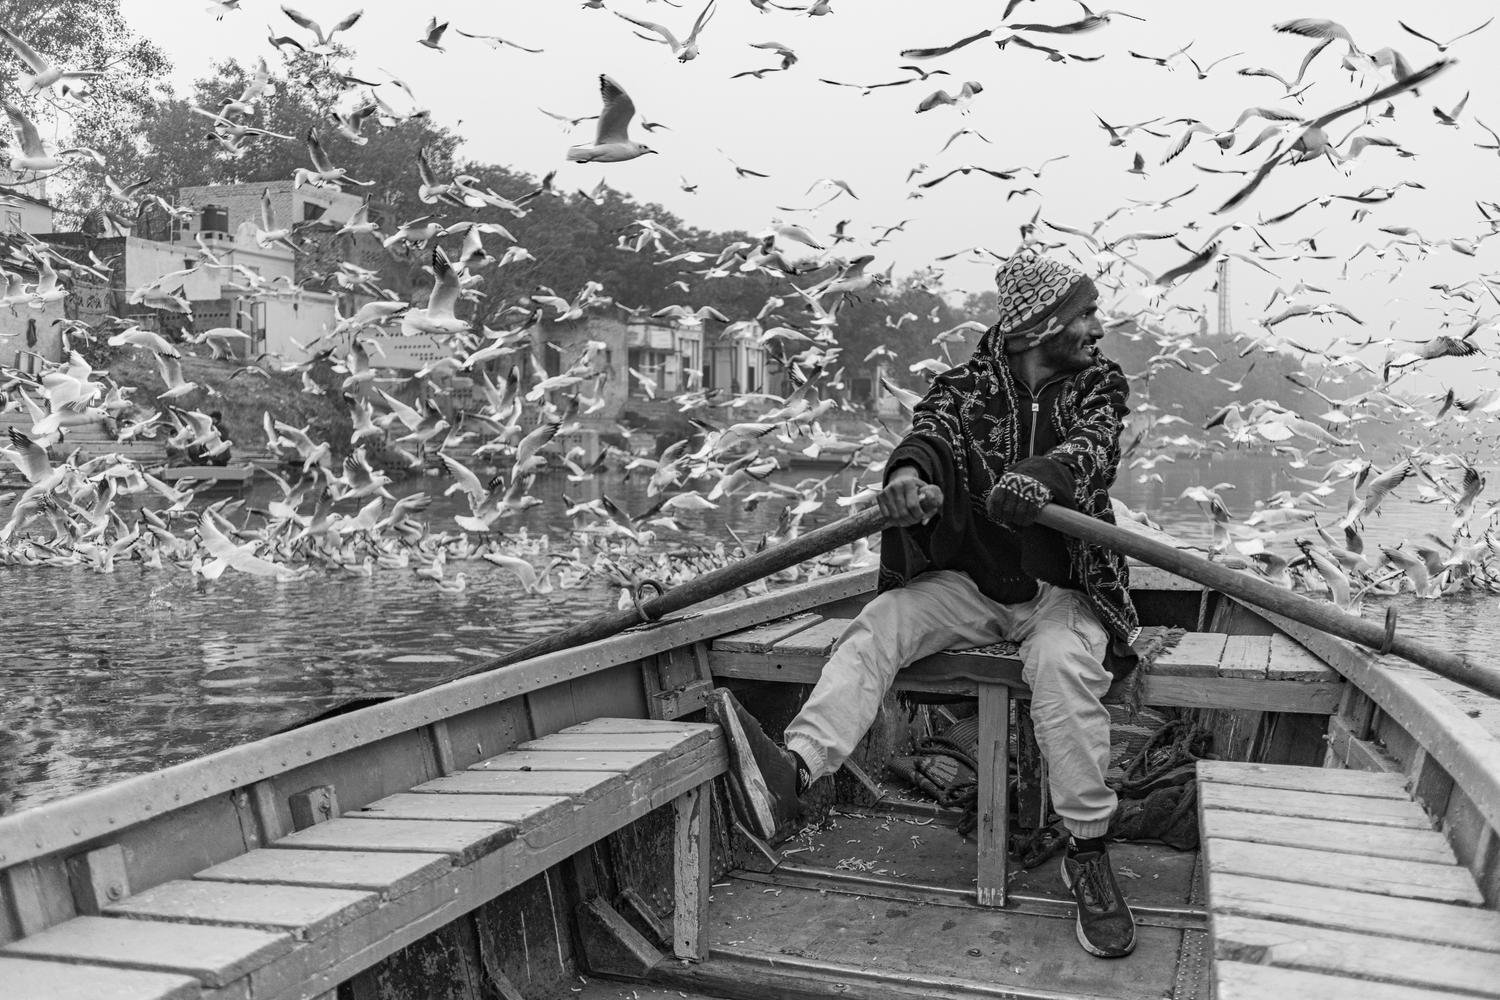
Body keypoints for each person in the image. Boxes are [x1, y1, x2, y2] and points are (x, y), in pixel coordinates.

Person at [710, 250, 1140, 959]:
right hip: (973, 585)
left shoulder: (1099, 383)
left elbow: (1094, 449)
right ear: (1043, 325)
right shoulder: (964, 386)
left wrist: (1039, 478)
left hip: (1064, 590)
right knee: (880, 623)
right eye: (1086, 314)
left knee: (1063, 667)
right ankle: (795, 772)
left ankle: (1087, 852)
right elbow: (930, 438)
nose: (1098, 327)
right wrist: (908, 478)